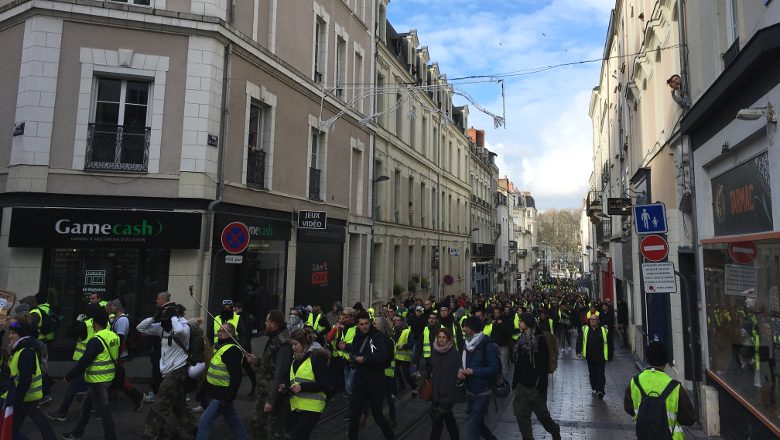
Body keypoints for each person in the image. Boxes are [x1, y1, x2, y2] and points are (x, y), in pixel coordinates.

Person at [137, 301, 197, 439]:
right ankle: (195, 430)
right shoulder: (162, 329)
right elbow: (140, 328)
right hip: (167, 372)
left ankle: (149, 434)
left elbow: (180, 331)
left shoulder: (184, 327)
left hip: (176, 372)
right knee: (179, 406)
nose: (163, 320)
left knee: (160, 404)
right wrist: (154, 316)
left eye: (166, 317)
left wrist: (174, 316)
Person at [62, 310, 119, 440]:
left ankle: (111, 437)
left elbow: (84, 361)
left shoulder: (96, 340)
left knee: (104, 413)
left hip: (98, 380)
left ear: (95, 323)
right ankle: (76, 433)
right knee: (86, 407)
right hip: (107, 377)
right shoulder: (113, 336)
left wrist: (69, 376)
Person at [624, 342, 695, 439]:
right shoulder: (675, 387)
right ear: (665, 362)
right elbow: (688, 419)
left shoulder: (635, 382)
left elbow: (629, 408)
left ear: (647, 359)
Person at [47, 302, 102, 422]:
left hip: (84, 361)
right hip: (99, 361)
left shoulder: (85, 325)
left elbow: (68, 333)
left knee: (73, 387)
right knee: (94, 387)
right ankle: (98, 411)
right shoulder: (105, 324)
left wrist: (77, 321)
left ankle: (62, 413)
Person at [6, 315, 57, 440]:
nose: (9, 336)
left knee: (13, 429)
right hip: (25, 396)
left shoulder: (26, 351)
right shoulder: (21, 348)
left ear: (21, 334)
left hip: (24, 396)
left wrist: (17, 400)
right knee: (16, 428)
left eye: (13, 333)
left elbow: (25, 379)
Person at [511, 313, 561, 440]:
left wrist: (542, 385)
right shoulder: (520, 340)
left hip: (536, 386)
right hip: (522, 385)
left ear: (527, 322)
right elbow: (518, 363)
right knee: (521, 415)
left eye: (521, 321)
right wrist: (515, 382)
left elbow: (543, 365)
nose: (519, 323)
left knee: (542, 416)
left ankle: (554, 429)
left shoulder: (540, 340)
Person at [245, 310, 292, 440]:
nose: (265, 324)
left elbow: (280, 373)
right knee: (256, 424)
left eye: (267, 321)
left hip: (274, 395)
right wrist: (256, 361)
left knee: (274, 431)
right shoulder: (274, 339)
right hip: (266, 392)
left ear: (273, 324)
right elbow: (270, 363)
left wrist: (271, 400)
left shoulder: (283, 343)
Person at [347, 311, 394, 440]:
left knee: (378, 415)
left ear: (370, 322)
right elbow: (355, 351)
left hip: (375, 382)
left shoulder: (377, 337)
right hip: (360, 381)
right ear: (357, 325)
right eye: (361, 324)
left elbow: (383, 356)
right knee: (354, 415)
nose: (364, 326)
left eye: (366, 323)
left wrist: (365, 359)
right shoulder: (357, 337)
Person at [196, 322, 248, 440]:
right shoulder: (221, 347)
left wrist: (228, 398)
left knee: (204, 421)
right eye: (219, 331)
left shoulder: (232, 350)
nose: (220, 333)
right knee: (234, 422)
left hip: (221, 396)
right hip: (216, 393)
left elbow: (236, 377)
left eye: (224, 331)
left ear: (231, 334)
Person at [459, 316, 499, 440]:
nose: (463, 328)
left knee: (472, 424)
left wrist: (474, 371)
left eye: (465, 326)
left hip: (483, 390)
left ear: (472, 328)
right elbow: (465, 363)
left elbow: (494, 369)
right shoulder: (467, 344)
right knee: (478, 422)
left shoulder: (487, 345)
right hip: (470, 388)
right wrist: (461, 370)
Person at [288, 328, 330, 440]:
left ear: (304, 343)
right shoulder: (295, 359)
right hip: (297, 405)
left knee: (298, 436)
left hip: (312, 407)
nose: (293, 347)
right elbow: (295, 381)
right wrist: (286, 388)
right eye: (292, 345)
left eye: (295, 344)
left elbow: (324, 383)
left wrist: (302, 387)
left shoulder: (316, 358)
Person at [107, 299, 145, 410]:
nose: (111, 307)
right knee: (117, 379)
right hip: (119, 353)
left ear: (118, 307)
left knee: (117, 379)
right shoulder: (119, 319)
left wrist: (116, 354)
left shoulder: (122, 320)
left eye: (113, 306)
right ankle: (136, 397)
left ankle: (137, 397)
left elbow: (120, 338)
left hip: (119, 354)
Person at [428, 327, 461, 440]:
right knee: (449, 419)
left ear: (448, 339)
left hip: (447, 394)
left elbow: (453, 377)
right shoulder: (435, 351)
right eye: (439, 337)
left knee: (437, 421)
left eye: (444, 337)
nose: (441, 340)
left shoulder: (453, 354)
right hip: (436, 392)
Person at [577, 314, 609, 399]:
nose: (592, 321)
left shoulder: (604, 330)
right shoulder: (585, 329)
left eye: (594, 319)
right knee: (592, 373)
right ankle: (594, 387)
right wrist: (578, 351)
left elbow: (608, 342)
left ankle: (600, 390)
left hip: (601, 356)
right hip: (590, 356)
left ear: (598, 321)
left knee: (600, 373)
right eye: (591, 320)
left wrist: (610, 354)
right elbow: (580, 340)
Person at [392, 315, 416, 394]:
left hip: (404, 357)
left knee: (406, 375)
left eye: (398, 320)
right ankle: (401, 386)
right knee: (396, 373)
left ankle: (414, 387)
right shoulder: (393, 331)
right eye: (395, 320)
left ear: (402, 322)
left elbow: (411, 343)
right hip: (396, 357)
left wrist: (403, 346)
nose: (396, 322)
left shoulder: (407, 331)